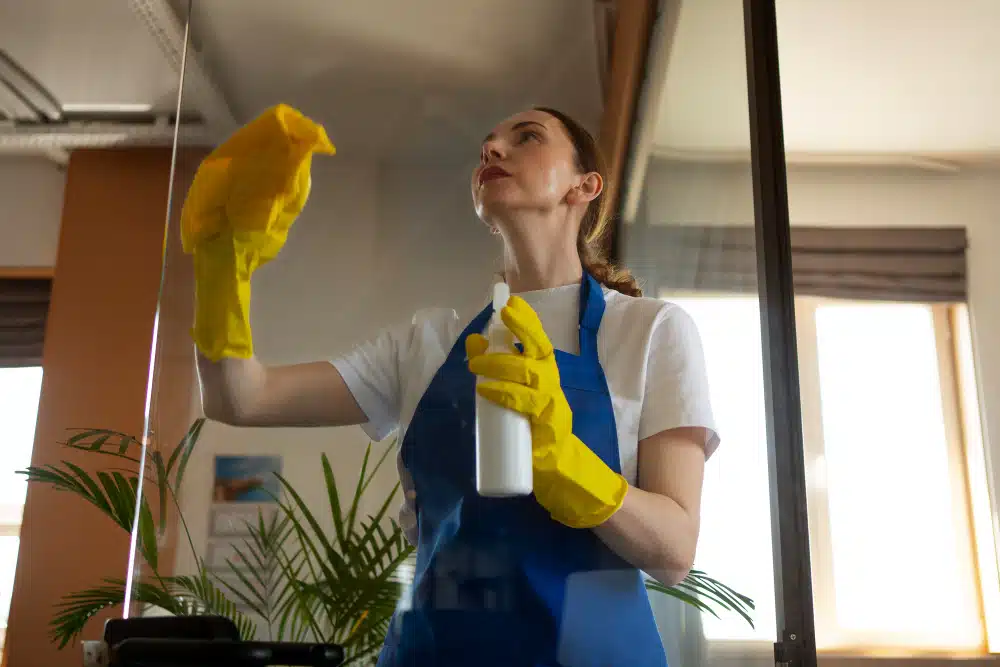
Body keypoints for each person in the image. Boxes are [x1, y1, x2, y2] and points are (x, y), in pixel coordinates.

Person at [183, 103, 719, 666]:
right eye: (486, 144)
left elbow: (674, 551)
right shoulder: (428, 343)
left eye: (527, 137)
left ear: (585, 187)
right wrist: (224, 266)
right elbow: (239, 398)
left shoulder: (651, 331)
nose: (492, 150)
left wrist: (570, 467)